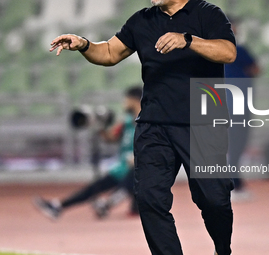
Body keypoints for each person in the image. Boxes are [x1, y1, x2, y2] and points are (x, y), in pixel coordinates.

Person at [48, 0, 237, 254]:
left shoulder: (208, 14)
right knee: (149, 199)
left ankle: (222, 249)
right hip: (154, 125)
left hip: (203, 123)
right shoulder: (142, 20)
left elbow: (228, 52)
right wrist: (84, 44)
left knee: (214, 200)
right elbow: (109, 53)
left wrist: (188, 40)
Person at [33, 86, 142, 220]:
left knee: (136, 175)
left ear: (134, 100)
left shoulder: (146, 121)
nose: (124, 102)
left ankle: (108, 203)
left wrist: (138, 157)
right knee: (95, 188)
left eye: (126, 99)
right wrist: (99, 126)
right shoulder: (126, 121)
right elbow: (111, 137)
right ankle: (58, 206)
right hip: (124, 168)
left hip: (140, 169)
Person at [224, 17, 261, 202]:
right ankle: (232, 184)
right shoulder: (238, 51)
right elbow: (255, 69)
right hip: (235, 105)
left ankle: (234, 182)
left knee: (234, 146)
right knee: (235, 145)